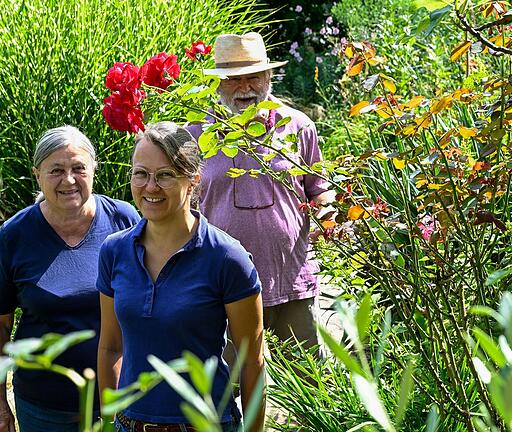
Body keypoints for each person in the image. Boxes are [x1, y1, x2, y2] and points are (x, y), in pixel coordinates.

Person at [97, 122, 265, 432]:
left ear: (194, 180)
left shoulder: (228, 258)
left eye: (165, 175)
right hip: (129, 424)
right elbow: (110, 347)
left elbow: (252, 361)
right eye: (140, 173)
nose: (150, 187)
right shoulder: (114, 251)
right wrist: (110, 420)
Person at [0, 125, 140, 432]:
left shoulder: (125, 221)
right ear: (37, 174)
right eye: (56, 170)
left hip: (120, 401)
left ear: (94, 169)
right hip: (44, 408)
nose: (68, 180)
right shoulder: (15, 235)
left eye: (78, 168)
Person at [189, 32, 335, 348]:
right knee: (229, 385)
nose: (246, 87)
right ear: (217, 83)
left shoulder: (297, 126)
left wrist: (329, 216)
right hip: (221, 284)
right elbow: (183, 208)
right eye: (234, 79)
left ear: (268, 76)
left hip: (291, 278)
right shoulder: (196, 135)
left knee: (306, 381)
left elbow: (319, 189)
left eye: (254, 76)